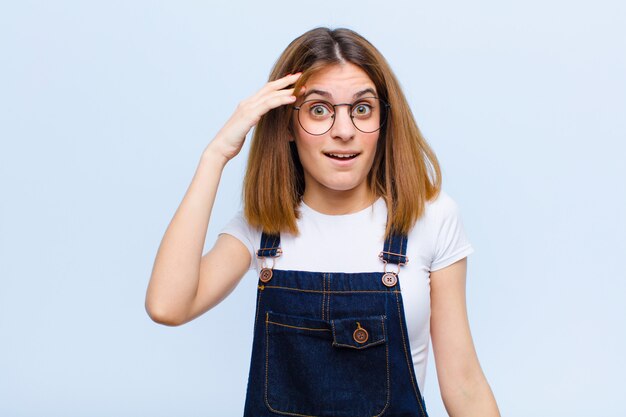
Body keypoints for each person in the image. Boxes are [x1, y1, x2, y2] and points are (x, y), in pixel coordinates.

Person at [145, 27, 500, 417]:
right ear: (286, 126)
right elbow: (167, 306)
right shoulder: (263, 225)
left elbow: (464, 385)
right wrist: (214, 156)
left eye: (362, 109)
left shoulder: (430, 217)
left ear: (384, 121)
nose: (344, 131)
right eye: (319, 110)